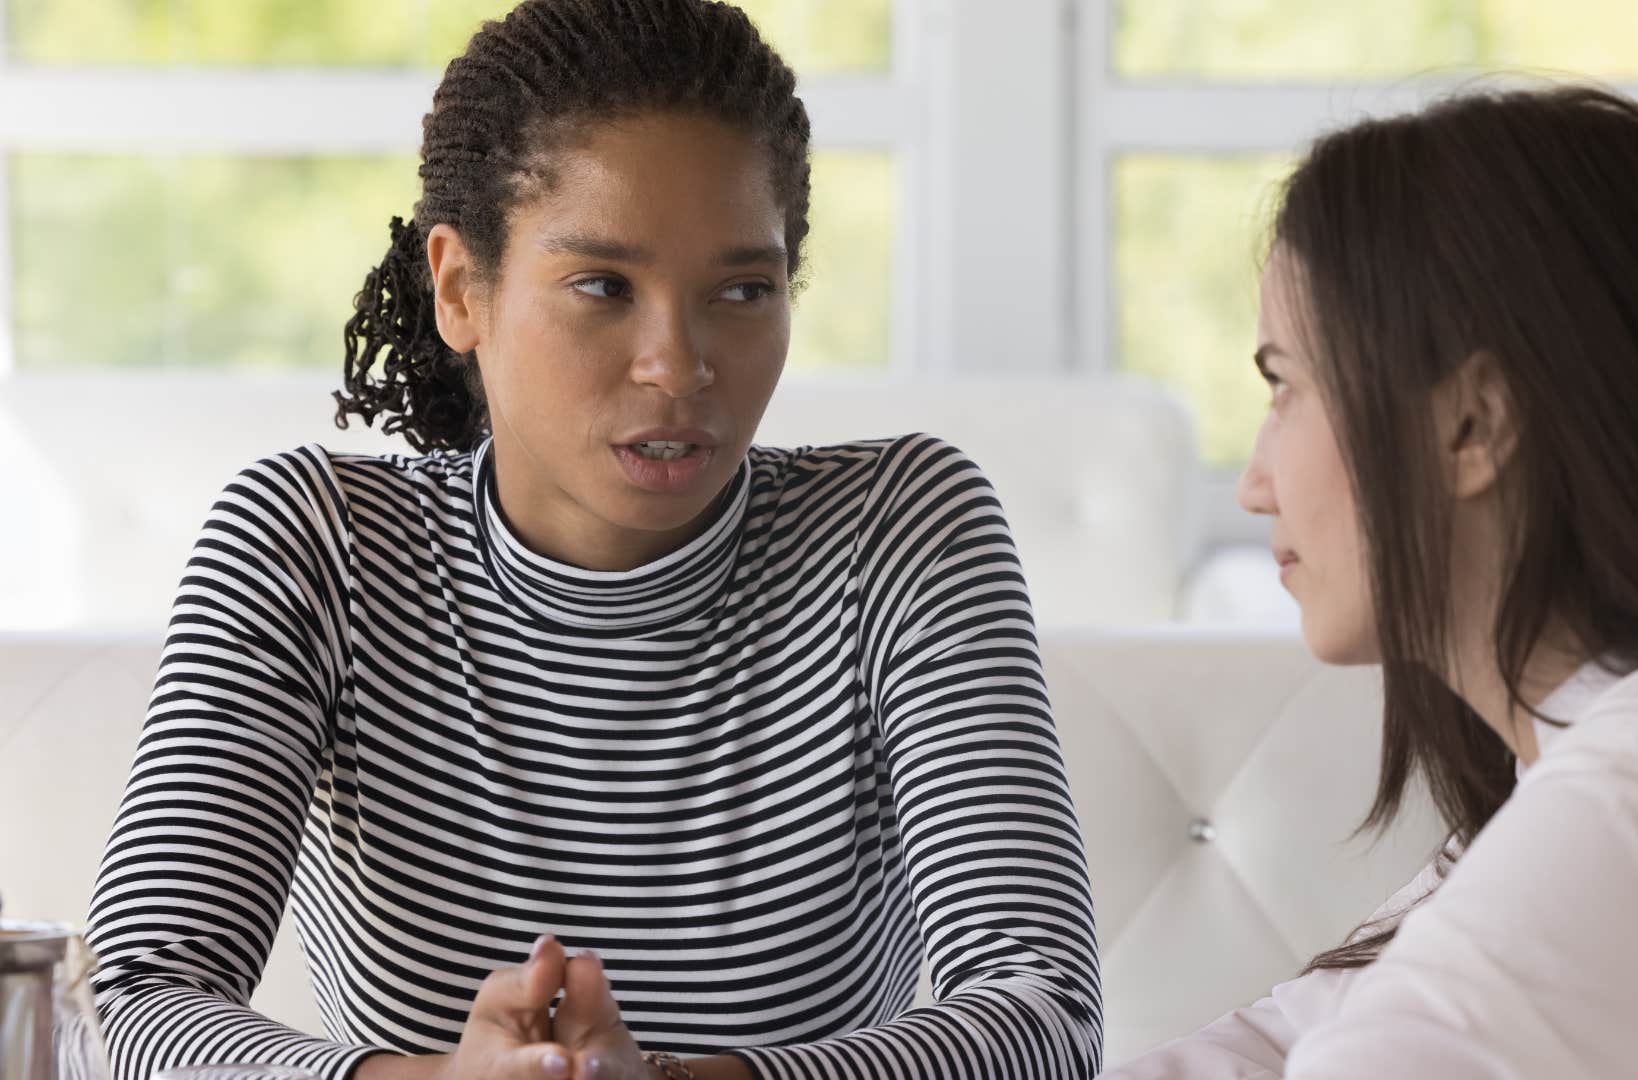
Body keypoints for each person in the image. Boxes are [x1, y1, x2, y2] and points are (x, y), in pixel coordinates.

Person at [84, 2, 1101, 1078]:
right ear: (461, 287)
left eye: (742, 291)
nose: (679, 365)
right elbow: (130, 1002)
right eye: (604, 288)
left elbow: (1043, 1015)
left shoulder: (901, 528)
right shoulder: (315, 544)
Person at [1103, 84, 1638, 1079]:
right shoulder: (1630, 756)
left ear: (1473, 426)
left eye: (1287, 387)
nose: (1254, 483)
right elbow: (1282, 1042)